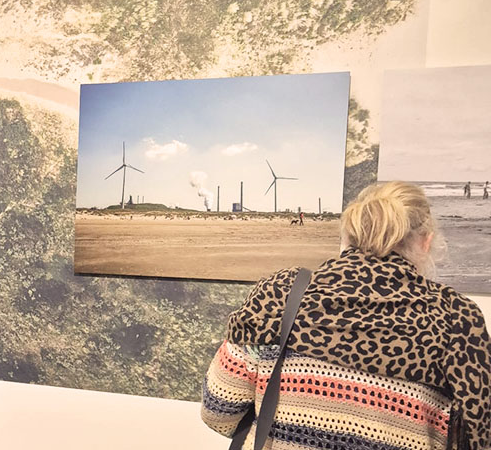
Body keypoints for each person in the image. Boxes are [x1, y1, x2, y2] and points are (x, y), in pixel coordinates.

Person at [202, 181, 491, 450]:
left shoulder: (280, 293)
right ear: (426, 242)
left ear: (347, 236)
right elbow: (478, 436)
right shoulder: (457, 318)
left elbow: (219, 411)